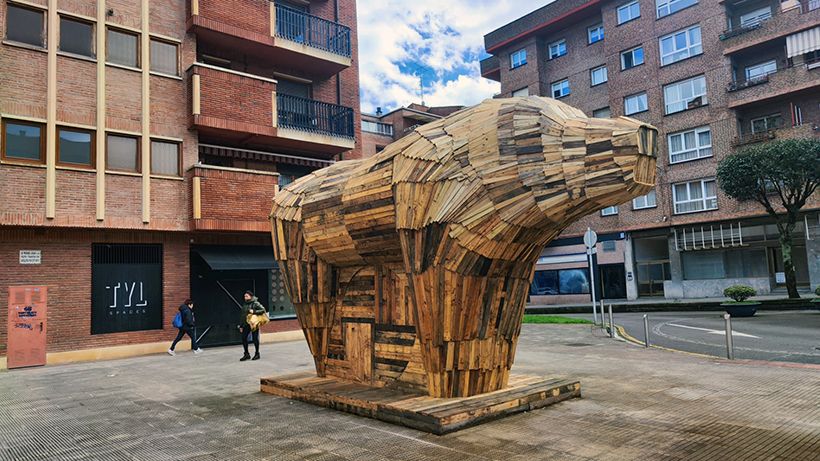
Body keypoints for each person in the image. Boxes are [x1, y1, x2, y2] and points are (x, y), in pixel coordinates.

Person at [239, 291, 267, 361]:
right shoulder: (245, 304)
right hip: (246, 324)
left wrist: (254, 311)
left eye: (246, 296)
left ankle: (257, 354)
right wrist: (241, 326)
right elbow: (242, 316)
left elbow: (263, 310)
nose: (245, 297)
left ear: (251, 296)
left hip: (253, 323)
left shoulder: (255, 303)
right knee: (243, 338)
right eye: (244, 296)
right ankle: (246, 354)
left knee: (255, 338)